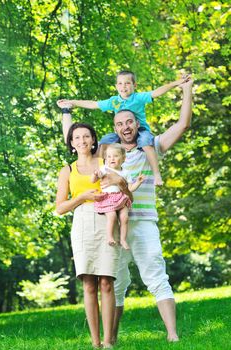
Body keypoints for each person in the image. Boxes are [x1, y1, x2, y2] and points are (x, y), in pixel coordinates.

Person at [58, 77, 193, 343]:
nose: (125, 127)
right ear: (115, 128)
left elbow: (183, 124)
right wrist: (67, 111)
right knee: (114, 285)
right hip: (111, 226)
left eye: (129, 121)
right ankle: (111, 340)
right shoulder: (106, 154)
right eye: (119, 123)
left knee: (156, 275)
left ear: (137, 123)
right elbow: (75, 142)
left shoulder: (151, 146)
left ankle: (173, 335)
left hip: (142, 223)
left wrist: (186, 89)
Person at [57, 70, 190, 186]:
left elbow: (157, 93)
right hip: (112, 202)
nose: (123, 87)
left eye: (127, 83)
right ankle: (105, 169)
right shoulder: (114, 101)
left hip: (142, 132)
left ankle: (157, 173)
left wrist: (177, 83)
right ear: (116, 86)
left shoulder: (138, 97)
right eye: (120, 83)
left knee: (145, 142)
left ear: (134, 85)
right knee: (105, 140)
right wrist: (72, 103)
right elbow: (93, 104)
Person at [56, 123, 123, 348]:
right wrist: (82, 196)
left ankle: (108, 342)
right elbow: (60, 207)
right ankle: (95, 343)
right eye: (77, 137)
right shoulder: (67, 170)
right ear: (72, 143)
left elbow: (124, 187)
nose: (82, 140)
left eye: (86, 136)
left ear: (93, 140)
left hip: (107, 218)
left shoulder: (106, 162)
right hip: (82, 222)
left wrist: (118, 184)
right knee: (89, 285)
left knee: (107, 282)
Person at [91, 143, 145, 250]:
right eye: (109, 156)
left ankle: (123, 239)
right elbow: (93, 180)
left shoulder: (126, 172)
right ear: (106, 158)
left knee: (124, 218)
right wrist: (95, 174)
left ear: (123, 158)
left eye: (116, 156)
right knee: (112, 217)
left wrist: (138, 182)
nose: (112, 159)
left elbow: (130, 189)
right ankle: (109, 237)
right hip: (108, 198)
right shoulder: (104, 169)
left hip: (121, 198)